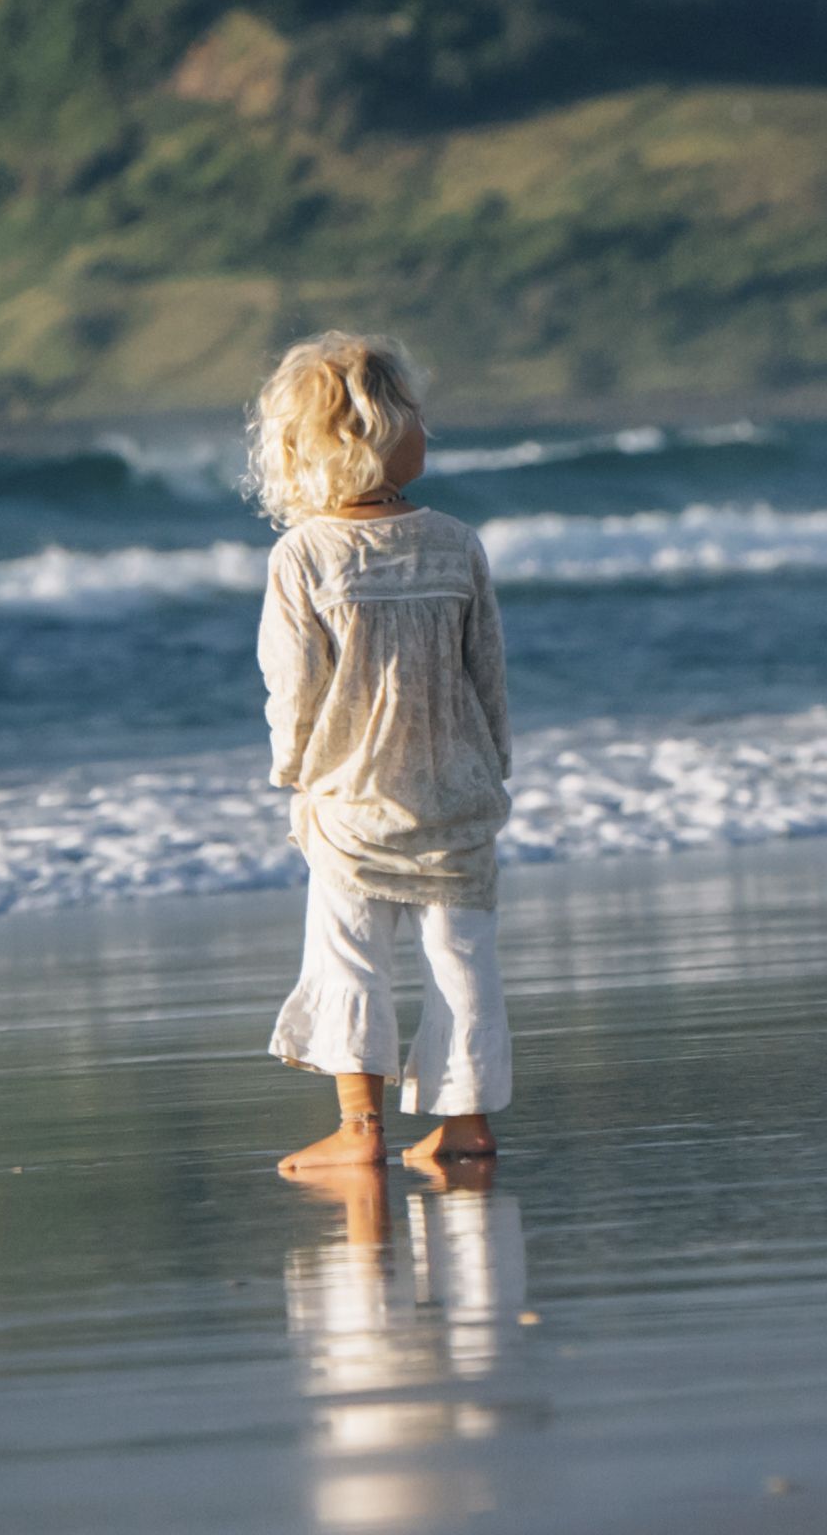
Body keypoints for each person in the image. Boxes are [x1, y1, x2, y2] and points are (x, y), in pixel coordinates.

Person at [249, 331, 516, 1183]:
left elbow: (292, 687)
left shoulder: (304, 554)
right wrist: (492, 762)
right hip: (456, 789)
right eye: (418, 418)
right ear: (379, 436)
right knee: (461, 953)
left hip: (352, 795)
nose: (429, 432)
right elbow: (488, 671)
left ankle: (359, 1126)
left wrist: (294, 771)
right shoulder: (455, 543)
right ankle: (465, 1120)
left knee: (349, 954)